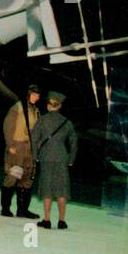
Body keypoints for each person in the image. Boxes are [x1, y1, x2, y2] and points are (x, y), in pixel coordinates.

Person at [30, 91, 77, 230]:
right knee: (62, 189)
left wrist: (35, 156)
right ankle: (62, 221)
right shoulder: (66, 122)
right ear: (60, 106)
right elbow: (74, 142)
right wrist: (71, 159)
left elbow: (34, 139)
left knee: (47, 188)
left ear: (49, 105)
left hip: (46, 157)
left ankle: (47, 219)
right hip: (62, 157)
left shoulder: (42, 120)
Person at [0, 84, 41, 218]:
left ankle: (23, 209)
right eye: (34, 94)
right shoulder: (18, 107)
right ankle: (5, 208)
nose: (36, 97)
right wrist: (10, 144)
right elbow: (8, 125)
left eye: (38, 94)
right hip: (17, 146)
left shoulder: (36, 111)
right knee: (13, 176)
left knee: (27, 178)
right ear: (28, 94)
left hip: (30, 149)